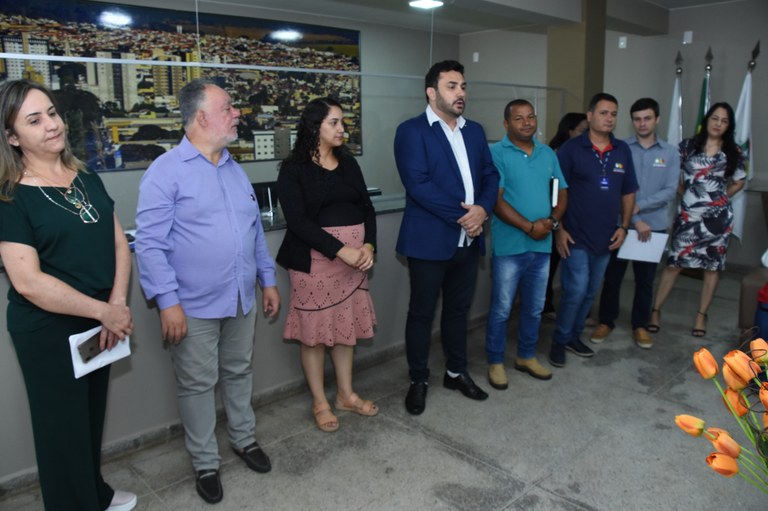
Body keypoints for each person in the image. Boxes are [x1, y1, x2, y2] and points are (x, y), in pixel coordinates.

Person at [135, 78, 280, 504]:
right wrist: (167, 303)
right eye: (228, 107)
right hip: (191, 306)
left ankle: (244, 439)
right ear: (200, 117)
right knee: (197, 384)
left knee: (238, 371)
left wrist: (268, 280)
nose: (237, 114)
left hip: (240, 297)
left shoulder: (235, 169)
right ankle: (205, 463)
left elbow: (253, 233)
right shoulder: (165, 172)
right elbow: (150, 245)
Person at [0, 80, 135, 510]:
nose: (52, 125)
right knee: (61, 431)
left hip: (99, 321)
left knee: (89, 420)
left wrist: (116, 305)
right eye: (34, 120)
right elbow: (28, 282)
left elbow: (119, 244)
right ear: (12, 137)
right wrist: (104, 311)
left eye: (52, 113)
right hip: (48, 330)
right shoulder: (9, 196)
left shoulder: (86, 177)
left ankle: (93, 495)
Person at [394, 60, 500, 415]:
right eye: (452, 86)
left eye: (463, 86)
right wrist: (466, 217)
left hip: (468, 241)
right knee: (421, 313)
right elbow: (418, 184)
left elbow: (490, 174)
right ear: (432, 92)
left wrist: (483, 209)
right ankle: (419, 380)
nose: (460, 93)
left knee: (458, 311)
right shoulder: (412, 131)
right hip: (430, 240)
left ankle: (456, 372)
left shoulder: (474, 131)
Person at [276, 97, 378, 433]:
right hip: (314, 262)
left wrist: (368, 245)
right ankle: (320, 401)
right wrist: (340, 250)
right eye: (334, 122)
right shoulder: (293, 169)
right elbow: (298, 222)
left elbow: (367, 208)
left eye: (342, 122)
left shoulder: (348, 163)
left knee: (347, 330)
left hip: (354, 263)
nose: (341, 129)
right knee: (314, 336)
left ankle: (346, 395)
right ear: (314, 126)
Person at [549, 93, 638, 367]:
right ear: (590, 116)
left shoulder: (622, 150)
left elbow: (628, 192)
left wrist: (624, 226)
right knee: (575, 289)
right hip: (574, 235)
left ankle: (574, 336)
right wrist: (558, 228)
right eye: (603, 113)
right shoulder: (571, 149)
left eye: (613, 114)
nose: (609, 118)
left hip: (607, 237)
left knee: (590, 291)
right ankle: (559, 340)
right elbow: (555, 190)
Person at [484, 99, 568, 389]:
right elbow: (496, 201)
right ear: (506, 124)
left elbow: (561, 191)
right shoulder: (496, 152)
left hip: (542, 246)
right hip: (509, 247)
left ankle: (526, 356)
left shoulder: (547, 153)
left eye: (531, 116)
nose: (527, 123)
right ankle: (495, 361)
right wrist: (530, 227)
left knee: (534, 307)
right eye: (519, 118)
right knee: (502, 309)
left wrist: (552, 221)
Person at [648, 102, 746, 337]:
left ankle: (701, 315)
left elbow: (739, 180)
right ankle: (655, 310)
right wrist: (686, 194)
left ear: (729, 126)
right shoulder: (688, 146)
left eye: (724, 121)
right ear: (707, 119)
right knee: (674, 264)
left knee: (712, 268)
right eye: (715, 118)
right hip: (688, 217)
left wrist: (719, 199)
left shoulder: (734, 151)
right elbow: (671, 175)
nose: (718, 124)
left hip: (718, 220)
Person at [590, 98, 680, 349]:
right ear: (632, 121)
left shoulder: (670, 153)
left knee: (645, 280)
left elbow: (670, 190)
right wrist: (634, 218)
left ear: (657, 119)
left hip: (653, 227)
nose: (642, 123)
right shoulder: (620, 148)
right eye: (637, 119)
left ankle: (640, 325)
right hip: (621, 224)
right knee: (612, 277)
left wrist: (638, 209)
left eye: (647, 118)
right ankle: (606, 321)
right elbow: (615, 188)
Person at [542, 113, 587, 319]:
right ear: (570, 131)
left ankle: (572, 309)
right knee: (550, 265)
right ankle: (546, 305)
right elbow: (554, 191)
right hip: (557, 218)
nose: (586, 135)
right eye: (582, 131)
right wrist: (556, 220)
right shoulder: (555, 154)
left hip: (575, 217)